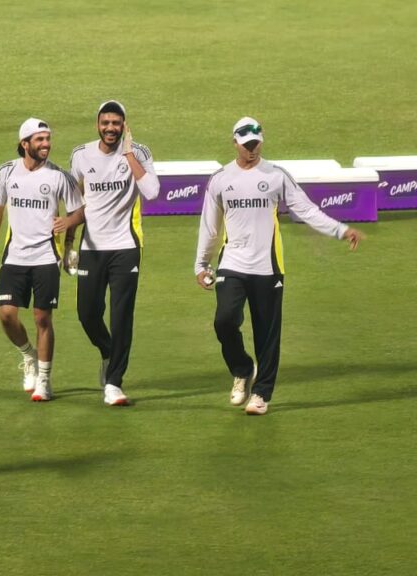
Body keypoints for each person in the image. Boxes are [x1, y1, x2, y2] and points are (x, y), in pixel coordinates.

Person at [194, 117, 364, 415]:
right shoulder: (221, 179)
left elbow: (306, 209)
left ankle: (261, 394)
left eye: (256, 143)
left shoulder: (276, 176)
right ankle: (243, 368)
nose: (252, 149)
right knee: (224, 320)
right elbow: (209, 226)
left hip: (267, 266)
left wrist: (340, 230)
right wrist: (201, 264)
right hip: (232, 263)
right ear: (234, 143)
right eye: (246, 145)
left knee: (267, 333)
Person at [0, 118, 83, 401]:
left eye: (48, 139)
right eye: (39, 140)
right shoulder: (6, 173)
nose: (46, 144)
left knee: (42, 318)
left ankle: (45, 381)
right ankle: (28, 355)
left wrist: (69, 232)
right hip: (14, 257)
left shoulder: (59, 177)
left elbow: (80, 211)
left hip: (46, 257)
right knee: (6, 314)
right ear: (24, 144)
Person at [68, 100, 159, 406]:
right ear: (98, 124)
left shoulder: (140, 153)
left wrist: (130, 153)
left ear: (124, 125)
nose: (110, 128)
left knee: (121, 316)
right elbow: (75, 203)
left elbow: (152, 192)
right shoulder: (81, 155)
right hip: (91, 247)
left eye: (116, 123)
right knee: (87, 313)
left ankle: (114, 383)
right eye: (105, 123)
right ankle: (108, 351)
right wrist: (68, 244)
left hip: (125, 247)